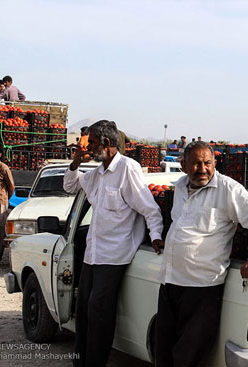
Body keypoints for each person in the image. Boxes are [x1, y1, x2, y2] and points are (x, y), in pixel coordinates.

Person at [154, 141, 248, 367]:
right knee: (164, 353)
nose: (203, 169)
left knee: (188, 357)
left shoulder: (227, 189)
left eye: (207, 163)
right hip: (170, 282)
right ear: (184, 165)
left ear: (215, 163)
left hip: (202, 288)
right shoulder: (179, 187)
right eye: (196, 163)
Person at [63, 120, 164, 367]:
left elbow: (150, 209)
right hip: (93, 254)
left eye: (93, 143)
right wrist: (76, 161)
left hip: (115, 256)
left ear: (106, 143)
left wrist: (156, 237)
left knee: (99, 313)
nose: (89, 147)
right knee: (84, 311)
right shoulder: (97, 173)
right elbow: (69, 186)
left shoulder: (128, 169)